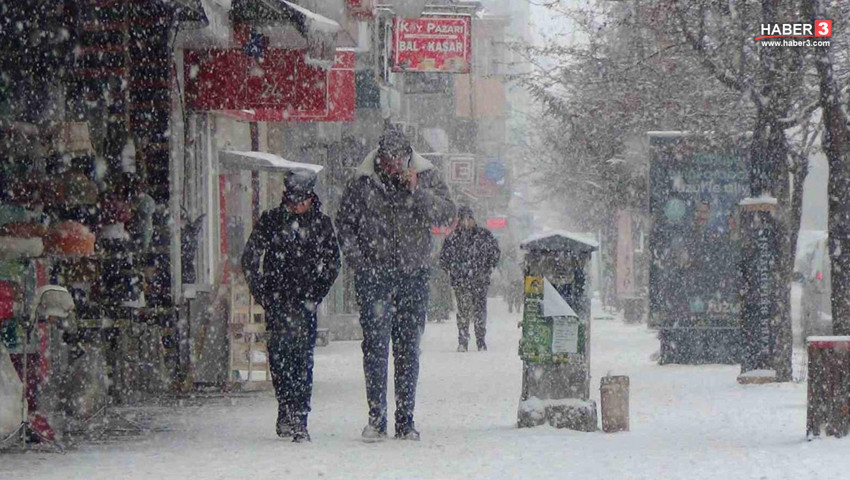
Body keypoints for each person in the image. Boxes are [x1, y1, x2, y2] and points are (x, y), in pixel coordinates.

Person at [336, 128, 456, 442]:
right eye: (389, 161)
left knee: (408, 350)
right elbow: (345, 226)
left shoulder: (426, 176)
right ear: (380, 158)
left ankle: (406, 420)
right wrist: (360, 264)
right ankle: (376, 419)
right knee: (375, 348)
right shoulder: (362, 183)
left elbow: (446, 215)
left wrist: (417, 190)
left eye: (400, 161)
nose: (395, 167)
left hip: (413, 276)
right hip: (374, 278)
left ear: (408, 157)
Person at [241, 169, 340, 443]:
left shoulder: (321, 224)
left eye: (301, 200)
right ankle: (285, 407)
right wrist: (262, 292)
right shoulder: (271, 221)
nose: (296, 206)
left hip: (304, 303)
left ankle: (300, 416)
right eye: (291, 201)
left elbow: (333, 264)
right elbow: (250, 257)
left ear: (310, 197)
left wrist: (315, 293)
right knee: (279, 360)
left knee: (302, 361)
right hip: (277, 301)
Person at [439, 206, 501, 352]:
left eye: (468, 218)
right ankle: (463, 341)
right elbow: (443, 258)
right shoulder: (453, 238)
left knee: (479, 311)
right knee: (463, 311)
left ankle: (480, 340)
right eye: (463, 219)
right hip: (461, 281)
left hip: (479, 280)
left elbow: (495, 253)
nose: (466, 222)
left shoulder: (484, 236)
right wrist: (453, 272)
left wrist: (487, 269)